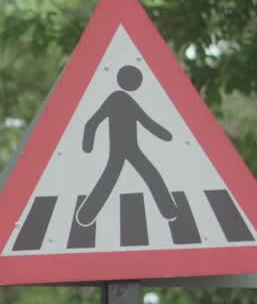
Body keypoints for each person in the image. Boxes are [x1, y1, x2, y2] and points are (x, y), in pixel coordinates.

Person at [75, 65, 179, 226]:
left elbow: (146, 121)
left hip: (130, 149)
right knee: (144, 175)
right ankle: (86, 215)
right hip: (122, 149)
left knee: (145, 174)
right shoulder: (118, 99)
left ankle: (86, 215)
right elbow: (93, 122)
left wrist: (167, 135)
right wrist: (87, 145)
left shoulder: (121, 100)